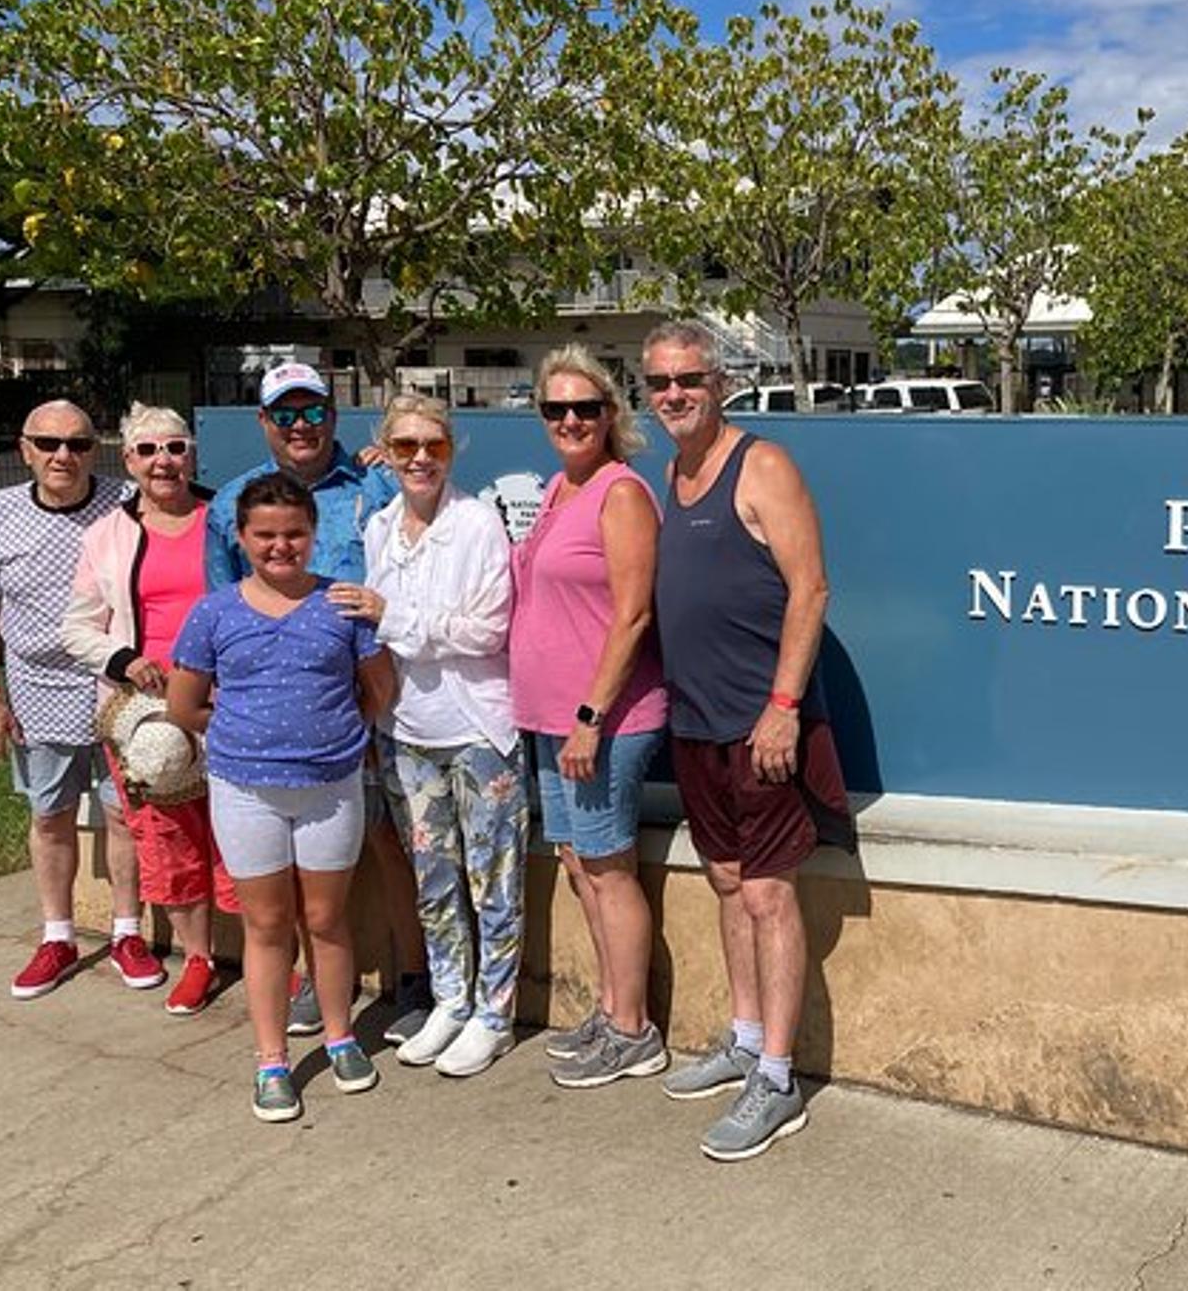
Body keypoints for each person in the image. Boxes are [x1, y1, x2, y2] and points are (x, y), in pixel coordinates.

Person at [644, 321, 849, 1161]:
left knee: (768, 894)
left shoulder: (760, 465)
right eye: (658, 383)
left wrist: (783, 706)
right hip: (694, 721)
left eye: (688, 379)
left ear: (719, 381)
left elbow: (811, 589)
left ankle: (777, 1075)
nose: (673, 395)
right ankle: (741, 1034)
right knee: (726, 882)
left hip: (758, 725)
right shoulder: (672, 472)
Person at [204, 361, 429, 1041]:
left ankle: (413, 977)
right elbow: (220, 613)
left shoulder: (378, 482)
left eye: (314, 411)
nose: (301, 427)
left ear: (334, 413)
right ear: (264, 422)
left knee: (394, 839)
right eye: (286, 414)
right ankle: (306, 980)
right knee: (293, 860)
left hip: (381, 690)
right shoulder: (232, 506)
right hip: (289, 717)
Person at [168, 472, 397, 1123]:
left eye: (294, 532)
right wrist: (247, 731)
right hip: (246, 792)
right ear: (241, 537)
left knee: (326, 918)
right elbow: (183, 702)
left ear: (312, 534)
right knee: (268, 925)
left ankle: (341, 1035)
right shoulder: (214, 612)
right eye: (265, 534)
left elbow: (379, 688)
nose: (280, 546)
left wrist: (335, 730)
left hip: (330, 788)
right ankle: (271, 1059)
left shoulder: (341, 606)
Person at [328, 394, 527, 1079]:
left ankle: (493, 1012)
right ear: (385, 449)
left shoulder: (477, 525)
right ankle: (450, 997)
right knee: (434, 879)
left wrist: (397, 616)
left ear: (452, 452)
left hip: (476, 727)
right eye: (406, 445)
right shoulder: (380, 526)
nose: (420, 458)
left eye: (434, 446)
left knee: (492, 879)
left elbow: (488, 630)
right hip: (407, 730)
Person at [508, 346, 671, 1089]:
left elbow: (634, 614)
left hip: (604, 719)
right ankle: (609, 1010)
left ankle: (635, 1029)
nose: (570, 420)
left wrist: (590, 715)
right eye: (556, 409)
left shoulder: (621, 493)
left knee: (608, 867)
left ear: (612, 413)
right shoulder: (556, 490)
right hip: (550, 715)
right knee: (580, 866)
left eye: (585, 407)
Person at [0, 400, 161, 1000]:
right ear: (25, 449)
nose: (62, 456)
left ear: (94, 450)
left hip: (120, 690)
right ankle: (57, 935)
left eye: (76, 443)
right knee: (49, 817)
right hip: (38, 693)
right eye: (48, 443)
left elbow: (194, 497)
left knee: (126, 815)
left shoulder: (126, 500)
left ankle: (128, 932)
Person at [62, 403, 236, 1015]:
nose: (164, 461)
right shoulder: (106, 535)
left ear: (192, 454)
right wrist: (124, 659)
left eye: (175, 447)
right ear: (129, 462)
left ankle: (272, 957)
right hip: (146, 714)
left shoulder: (228, 518)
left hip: (227, 696)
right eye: (148, 450)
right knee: (170, 836)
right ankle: (197, 958)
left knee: (243, 831)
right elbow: (78, 628)